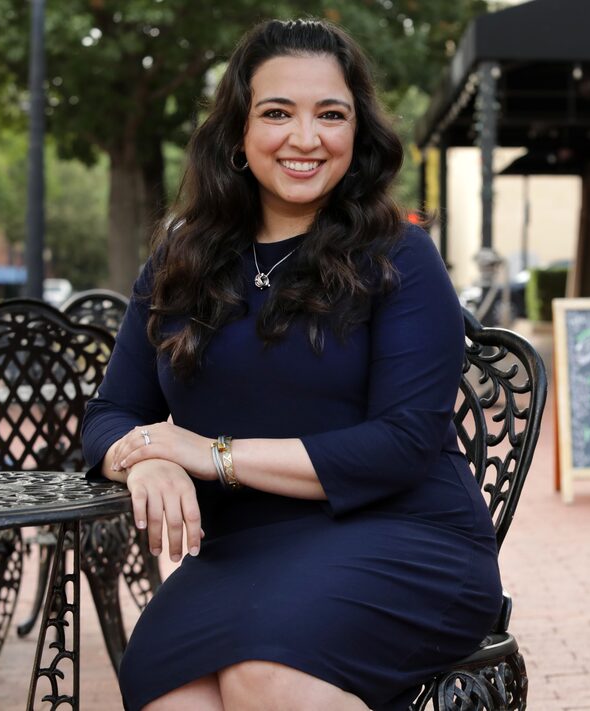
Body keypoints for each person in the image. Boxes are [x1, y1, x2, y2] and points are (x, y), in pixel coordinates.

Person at [82, 18, 503, 711]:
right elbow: (110, 415)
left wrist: (207, 453)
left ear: (356, 134)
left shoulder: (400, 255)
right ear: (238, 135)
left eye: (330, 115)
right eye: (278, 112)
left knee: (268, 679)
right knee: (171, 697)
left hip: (404, 537)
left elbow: (402, 445)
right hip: (243, 552)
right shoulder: (180, 260)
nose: (305, 138)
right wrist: (145, 459)